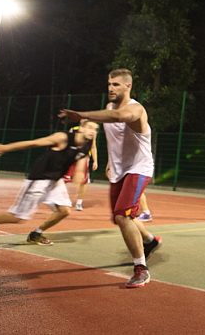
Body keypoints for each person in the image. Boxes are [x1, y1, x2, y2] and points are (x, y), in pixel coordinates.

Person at [58, 68, 163, 288]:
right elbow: (114, 136)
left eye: (116, 84)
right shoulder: (108, 107)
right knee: (119, 217)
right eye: (109, 84)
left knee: (123, 215)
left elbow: (119, 117)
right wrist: (110, 161)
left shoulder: (136, 109)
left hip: (139, 168)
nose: (111, 88)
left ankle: (141, 269)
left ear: (128, 86)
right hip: (119, 169)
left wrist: (83, 115)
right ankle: (150, 241)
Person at [0, 120, 99, 246]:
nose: (93, 131)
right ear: (81, 128)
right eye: (90, 128)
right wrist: (6, 148)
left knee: (64, 211)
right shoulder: (63, 138)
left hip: (55, 182)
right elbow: (33, 143)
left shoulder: (85, 147)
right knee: (17, 217)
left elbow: (80, 167)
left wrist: (78, 177)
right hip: (39, 180)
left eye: (96, 129)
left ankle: (36, 233)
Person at [64, 124, 99, 211]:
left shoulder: (92, 133)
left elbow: (93, 147)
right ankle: (62, 200)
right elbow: (67, 143)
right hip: (72, 157)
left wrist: (95, 160)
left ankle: (79, 203)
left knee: (83, 182)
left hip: (84, 158)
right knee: (64, 180)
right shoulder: (73, 130)